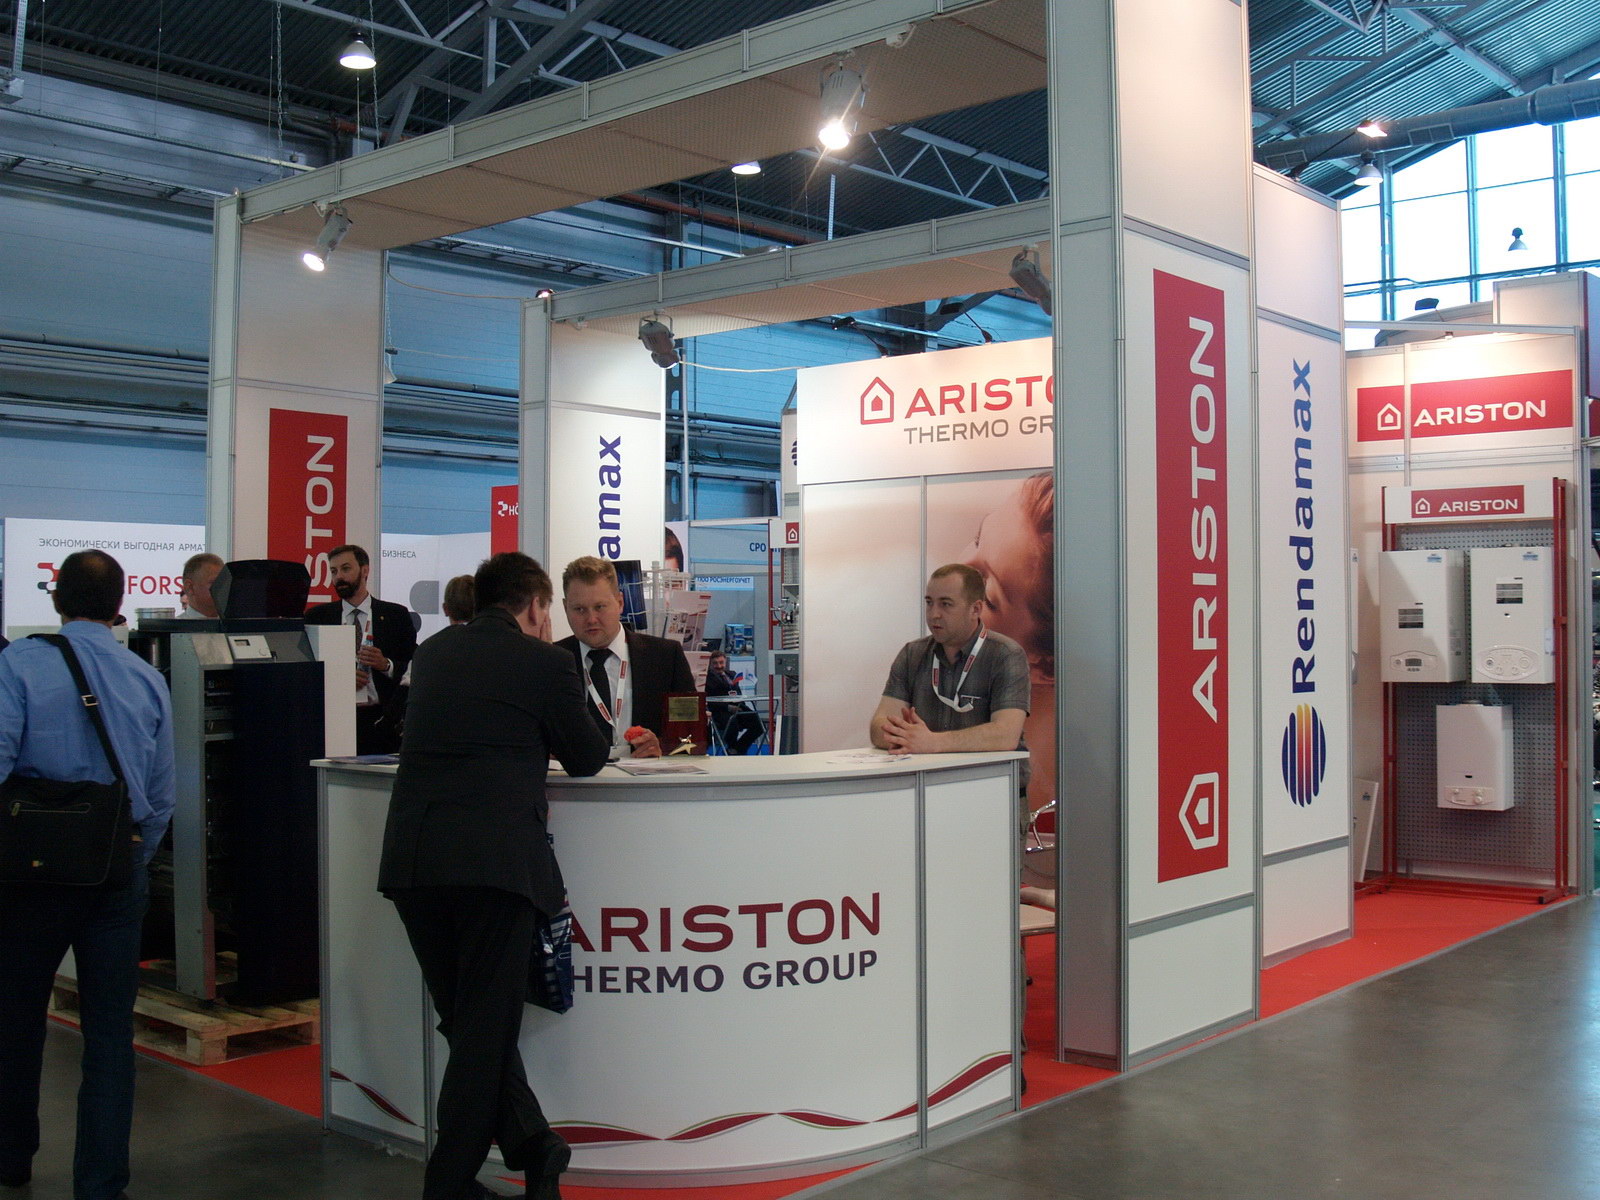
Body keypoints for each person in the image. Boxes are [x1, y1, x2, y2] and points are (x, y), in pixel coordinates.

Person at [378, 552, 608, 1200]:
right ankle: (447, 1186)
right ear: (536, 606)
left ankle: (536, 1145)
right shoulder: (545, 662)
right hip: (494, 866)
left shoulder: (434, 653)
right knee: (484, 1035)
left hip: (415, 862)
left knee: (469, 1022)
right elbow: (587, 756)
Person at [0, 549, 176, 1200]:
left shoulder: (17, 664)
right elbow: (162, 797)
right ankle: (100, 1184)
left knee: (16, 1019)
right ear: (120, 604)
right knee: (108, 1035)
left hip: (31, 876)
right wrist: (129, 858)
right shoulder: (146, 678)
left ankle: (10, 1156)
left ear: (56, 598)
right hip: (115, 875)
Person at [868, 563, 1030, 783]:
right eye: (929, 603)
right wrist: (909, 738)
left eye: (946, 604)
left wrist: (933, 742)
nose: (934, 614)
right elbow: (879, 727)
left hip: (993, 788)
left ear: (975, 609)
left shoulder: (1005, 655)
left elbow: (1006, 734)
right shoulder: (912, 654)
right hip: (929, 787)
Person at [961, 472, 1055, 818]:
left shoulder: (1030, 794)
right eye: (977, 539)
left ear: (1044, 664)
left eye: (988, 594)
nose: (955, 573)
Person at [556, 557, 694, 759]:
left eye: (600, 607)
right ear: (565, 608)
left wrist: (664, 748)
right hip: (573, 777)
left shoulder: (665, 657)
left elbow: (690, 737)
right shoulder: (552, 661)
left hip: (643, 776)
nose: (591, 619)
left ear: (620, 603)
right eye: (580, 609)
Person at [304, 544, 418, 755]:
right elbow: (307, 673)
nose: (339, 576)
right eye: (334, 571)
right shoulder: (317, 618)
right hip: (335, 721)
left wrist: (386, 665)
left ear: (365, 570)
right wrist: (339, 679)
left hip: (382, 720)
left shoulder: (396, 615)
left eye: (346, 569)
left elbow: (415, 667)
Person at [705, 651, 763, 755]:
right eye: (715, 663)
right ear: (710, 664)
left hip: (738, 707)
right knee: (732, 722)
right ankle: (733, 749)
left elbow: (738, 693)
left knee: (758, 723)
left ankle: (738, 748)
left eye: (721, 662)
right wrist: (728, 707)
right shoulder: (707, 679)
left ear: (725, 662)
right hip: (720, 711)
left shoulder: (732, 674)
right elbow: (709, 701)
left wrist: (741, 706)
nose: (719, 666)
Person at [175, 552, 224, 619]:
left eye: (224, 582)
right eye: (215, 582)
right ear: (190, 587)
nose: (223, 588)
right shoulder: (175, 625)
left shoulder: (235, 624)